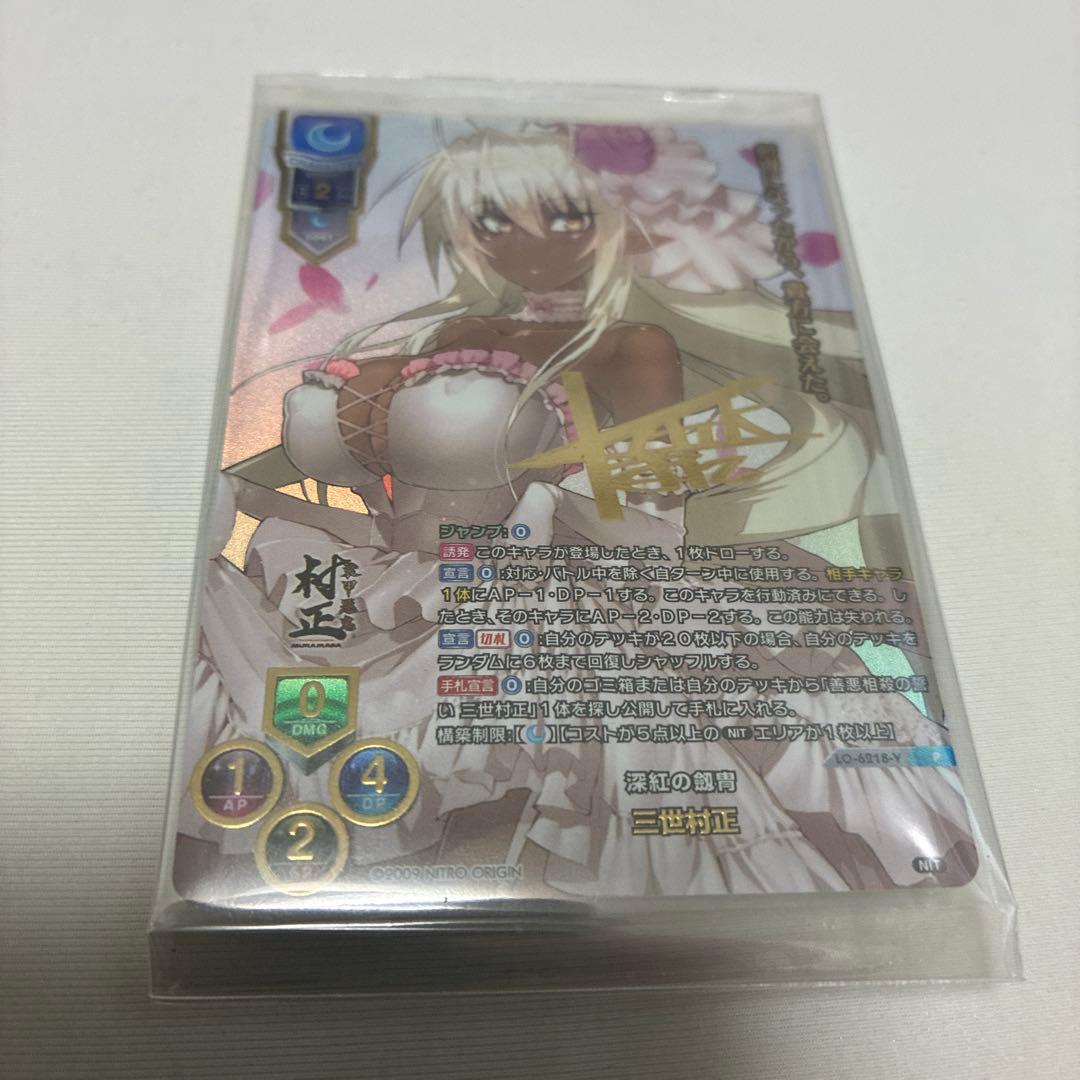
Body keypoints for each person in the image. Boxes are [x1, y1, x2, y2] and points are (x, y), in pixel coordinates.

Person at [177, 125, 974, 898]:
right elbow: (394, 479)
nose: (526, 238)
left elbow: (645, 499)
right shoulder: (455, 329)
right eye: (492, 217)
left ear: (606, 221)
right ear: (460, 228)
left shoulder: (630, 345)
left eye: (560, 214)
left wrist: (548, 522)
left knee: (616, 735)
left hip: (571, 575)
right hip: (418, 572)